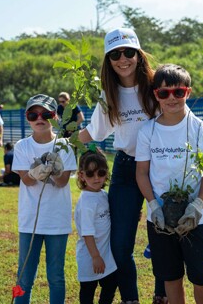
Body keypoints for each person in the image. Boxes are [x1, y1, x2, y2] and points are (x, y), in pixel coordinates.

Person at [78, 27, 165, 304]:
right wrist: (56, 146)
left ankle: (162, 294)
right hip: (127, 169)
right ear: (108, 60)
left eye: (128, 52)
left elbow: (179, 117)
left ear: (138, 55)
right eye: (115, 54)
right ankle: (131, 299)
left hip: (159, 167)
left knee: (162, 238)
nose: (122, 58)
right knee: (119, 245)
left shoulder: (156, 86)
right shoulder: (109, 95)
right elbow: (92, 133)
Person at [136, 64, 203, 304]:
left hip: (194, 219)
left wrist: (198, 204)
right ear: (155, 95)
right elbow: (142, 173)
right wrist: (154, 206)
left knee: (200, 276)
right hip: (160, 219)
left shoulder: (200, 129)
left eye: (178, 92)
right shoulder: (148, 130)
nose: (172, 98)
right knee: (170, 276)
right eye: (164, 93)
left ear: (188, 92)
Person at [11, 94, 77, 304]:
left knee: (56, 275)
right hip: (30, 221)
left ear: (55, 116)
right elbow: (27, 181)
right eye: (33, 114)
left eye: (46, 114)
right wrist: (38, 171)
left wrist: (55, 170)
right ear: (27, 117)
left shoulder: (64, 145)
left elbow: (63, 181)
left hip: (56, 221)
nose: (39, 118)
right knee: (24, 276)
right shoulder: (22, 146)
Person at [74, 149, 118, 304]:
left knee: (111, 284)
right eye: (90, 174)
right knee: (87, 291)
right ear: (81, 175)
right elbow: (87, 233)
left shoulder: (102, 194)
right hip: (90, 257)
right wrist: (95, 257)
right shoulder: (87, 202)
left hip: (106, 255)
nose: (96, 178)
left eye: (101, 173)